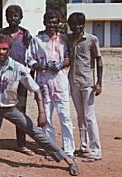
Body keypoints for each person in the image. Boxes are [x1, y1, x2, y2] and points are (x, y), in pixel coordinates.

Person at [0, 34, 80, 176]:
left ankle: (67, 159)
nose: (1, 52)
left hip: (11, 109)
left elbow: (36, 89)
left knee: (36, 133)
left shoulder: (17, 67)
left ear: (9, 50)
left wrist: (42, 112)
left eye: (4, 49)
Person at [0, 5, 34, 157]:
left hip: (19, 79)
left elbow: (31, 57)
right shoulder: (0, 34)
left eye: (16, 16)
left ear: (21, 17)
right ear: (6, 18)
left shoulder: (26, 36)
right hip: (1, 79)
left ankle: (21, 144)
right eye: (10, 16)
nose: (13, 19)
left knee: (20, 112)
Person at [27, 10, 75, 160]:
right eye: (49, 22)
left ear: (59, 23)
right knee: (46, 118)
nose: (52, 25)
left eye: (55, 22)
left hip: (60, 83)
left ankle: (69, 150)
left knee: (65, 117)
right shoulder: (37, 39)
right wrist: (42, 66)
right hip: (43, 83)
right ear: (44, 22)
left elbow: (69, 58)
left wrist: (60, 65)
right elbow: (29, 59)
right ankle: (51, 149)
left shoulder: (64, 39)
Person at [67, 12, 103, 162]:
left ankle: (96, 150)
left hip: (87, 83)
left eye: (79, 24)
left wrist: (99, 82)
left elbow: (99, 61)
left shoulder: (91, 39)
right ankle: (84, 146)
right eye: (73, 25)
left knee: (89, 117)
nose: (77, 27)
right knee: (80, 116)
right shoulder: (68, 39)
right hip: (73, 83)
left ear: (84, 25)